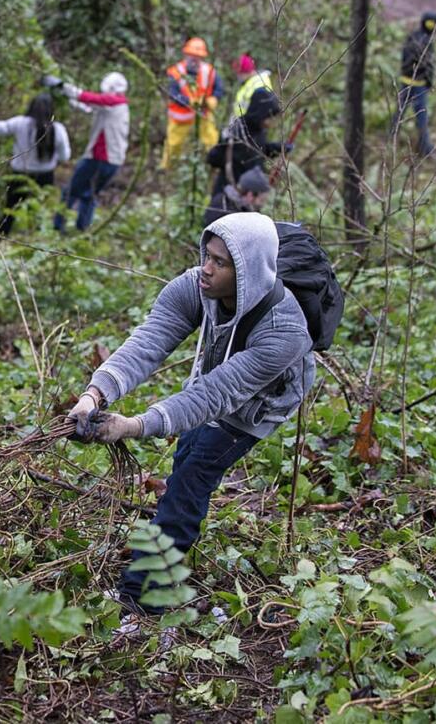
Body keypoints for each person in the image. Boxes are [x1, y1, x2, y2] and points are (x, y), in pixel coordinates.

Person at [66, 212, 314, 638]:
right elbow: (148, 342)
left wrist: (134, 425)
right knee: (185, 457)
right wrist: (95, 394)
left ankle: (140, 599)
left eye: (220, 262)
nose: (207, 267)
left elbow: (216, 395)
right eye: (207, 255)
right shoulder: (196, 286)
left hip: (260, 403)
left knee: (193, 475)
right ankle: (164, 560)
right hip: (219, 373)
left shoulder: (284, 332)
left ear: (247, 271)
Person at [0, 92, 70, 234]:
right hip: (45, 176)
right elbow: (65, 156)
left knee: (10, 209)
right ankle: (36, 238)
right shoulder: (58, 129)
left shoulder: (20, 123)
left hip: (19, 175)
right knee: (38, 211)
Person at [54, 73, 130, 232]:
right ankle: (83, 230)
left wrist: (62, 86)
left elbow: (89, 98)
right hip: (111, 161)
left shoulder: (113, 102)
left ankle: (58, 227)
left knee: (70, 192)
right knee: (89, 195)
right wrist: (69, 98)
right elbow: (90, 107)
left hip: (100, 159)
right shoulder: (118, 106)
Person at [207, 87, 289, 196]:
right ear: (260, 112)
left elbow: (258, 151)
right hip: (228, 194)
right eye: (269, 117)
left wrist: (278, 148)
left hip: (249, 198)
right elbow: (213, 157)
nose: (271, 122)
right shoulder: (237, 131)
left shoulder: (259, 130)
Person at [161, 38, 226, 169]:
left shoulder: (209, 71)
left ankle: (215, 166)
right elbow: (172, 93)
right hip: (181, 117)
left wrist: (213, 99)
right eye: (192, 55)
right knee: (173, 144)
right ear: (186, 54)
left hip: (203, 114)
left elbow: (219, 88)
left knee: (211, 140)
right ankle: (167, 168)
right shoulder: (175, 72)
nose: (195, 59)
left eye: (198, 57)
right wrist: (189, 102)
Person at [393, 12, 436, 157]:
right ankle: (425, 149)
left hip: (405, 81)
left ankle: (391, 140)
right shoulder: (426, 41)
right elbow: (428, 66)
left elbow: (404, 59)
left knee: (399, 113)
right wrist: (429, 83)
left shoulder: (412, 36)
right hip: (418, 84)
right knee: (422, 118)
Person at [204, 167, 271, 226]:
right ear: (250, 195)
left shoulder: (245, 208)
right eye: (262, 200)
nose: (263, 204)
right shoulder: (220, 205)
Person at [227, 54, 274, 123]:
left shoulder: (259, 85)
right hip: (242, 127)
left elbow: (260, 115)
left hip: (250, 131)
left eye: (239, 73)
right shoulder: (249, 83)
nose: (238, 76)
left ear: (245, 71)